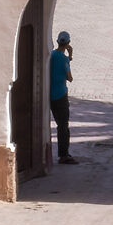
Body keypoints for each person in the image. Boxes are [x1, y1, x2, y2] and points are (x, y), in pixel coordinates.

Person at [49, 31, 80, 164]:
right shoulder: (64, 58)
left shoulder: (52, 55)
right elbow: (70, 78)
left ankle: (63, 154)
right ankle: (64, 155)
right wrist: (70, 55)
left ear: (57, 41)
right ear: (68, 43)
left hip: (50, 94)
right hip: (61, 95)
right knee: (63, 126)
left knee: (59, 124)